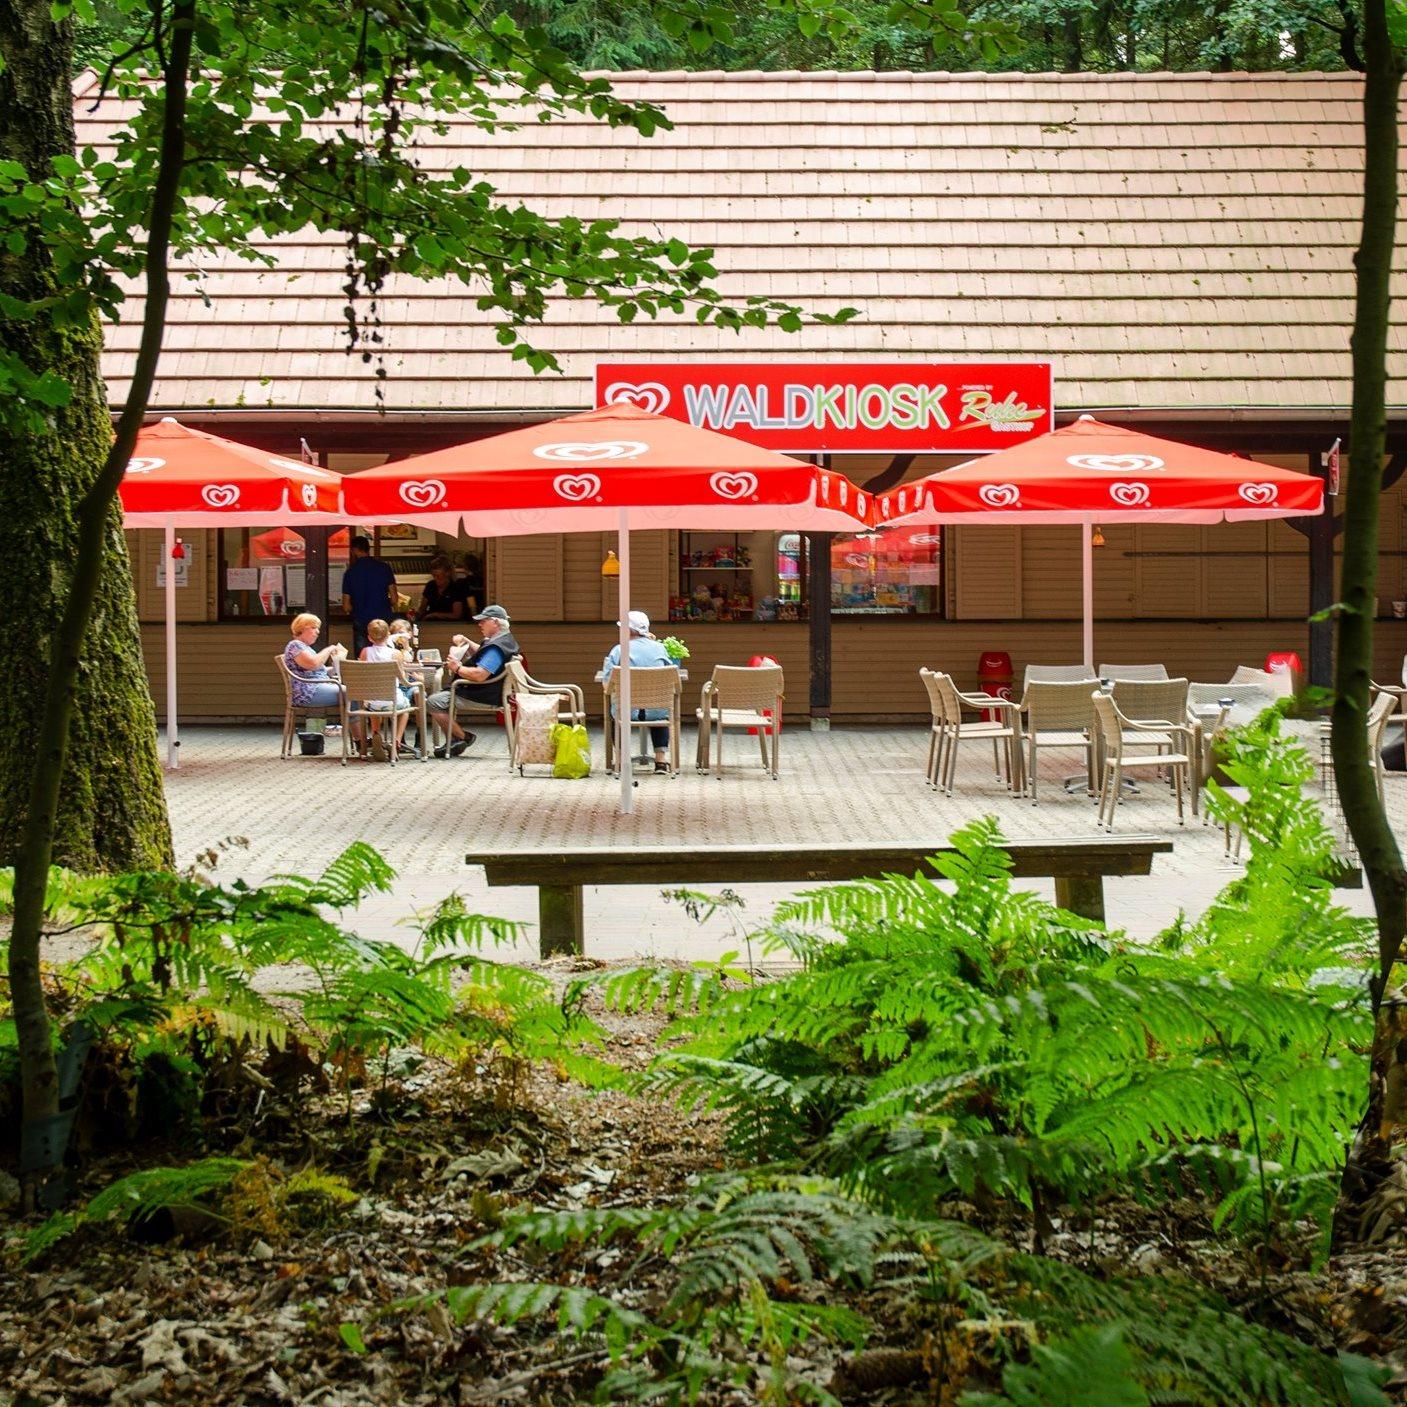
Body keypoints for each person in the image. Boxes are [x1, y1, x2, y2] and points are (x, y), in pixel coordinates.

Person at [425, 604, 520, 757]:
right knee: (440, 698)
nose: (479, 624)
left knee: (433, 701)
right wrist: (467, 641)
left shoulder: (496, 648)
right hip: (489, 692)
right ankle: (456, 739)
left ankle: (462, 737)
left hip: (482, 694)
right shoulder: (504, 640)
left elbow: (479, 675)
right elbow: (481, 651)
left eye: (483, 621)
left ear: (495, 622)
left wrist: (457, 668)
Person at [601, 610, 678, 774]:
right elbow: (671, 676)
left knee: (617, 712)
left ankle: (621, 760)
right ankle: (661, 761)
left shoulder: (618, 651)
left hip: (627, 711)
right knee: (659, 708)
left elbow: (607, 686)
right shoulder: (660, 649)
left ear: (628, 630)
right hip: (656, 710)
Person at [358, 619, 418, 760]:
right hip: (393, 701)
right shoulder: (395, 654)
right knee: (406, 710)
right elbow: (402, 678)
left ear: (369, 637)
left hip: (372, 702)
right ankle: (396, 742)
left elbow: (362, 673)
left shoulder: (365, 652)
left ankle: (376, 734)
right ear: (388, 636)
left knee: (374, 705)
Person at [340, 535, 397, 658]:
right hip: (383, 621)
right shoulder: (384, 568)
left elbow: (346, 606)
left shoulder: (350, 573)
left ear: (354, 550)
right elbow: (394, 598)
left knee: (363, 659)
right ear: (368, 548)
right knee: (387, 656)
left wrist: (356, 607)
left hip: (361, 621)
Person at [283, 613, 346, 714]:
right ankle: (356, 729)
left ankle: (353, 729)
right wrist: (329, 649)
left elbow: (319, 670)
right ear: (302, 628)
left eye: (318, 628)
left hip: (315, 687)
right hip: (307, 692)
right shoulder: (295, 645)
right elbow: (313, 664)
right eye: (314, 628)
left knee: (354, 692)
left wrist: (336, 666)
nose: (317, 632)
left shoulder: (306, 648)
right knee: (352, 694)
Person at [419, 555, 471, 621]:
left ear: (448, 573)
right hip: (432, 626)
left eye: (438, 576)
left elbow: (457, 615)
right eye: (434, 576)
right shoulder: (430, 586)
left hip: (450, 626)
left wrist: (435, 614)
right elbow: (422, 609)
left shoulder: (456, 588)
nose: (435, 579)